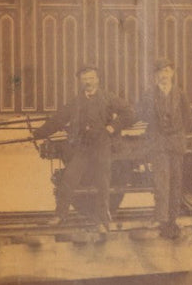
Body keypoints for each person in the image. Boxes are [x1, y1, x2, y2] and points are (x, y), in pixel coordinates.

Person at [34, 65, 135, 231]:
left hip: (102, 146)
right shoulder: (76, 102)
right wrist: (38, 133)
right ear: (81, 81)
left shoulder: (108, 98)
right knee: (69, 179)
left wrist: (112, 127)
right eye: (85, 79)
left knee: (103, 183)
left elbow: (129, 113)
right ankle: (60, 215)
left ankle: (102, 221)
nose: (88, 82)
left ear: (97, 79)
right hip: (83, 147)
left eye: (91, 78)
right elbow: (58, 119)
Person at [142, 58, 191, 239]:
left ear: (172, 74)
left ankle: (174, 218)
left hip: (176, 142)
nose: (163, 76)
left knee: (176, 181)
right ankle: (160, 217)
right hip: (159, 143)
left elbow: (188, 119)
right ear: (156, 76)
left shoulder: (181, 94)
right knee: (161, 182)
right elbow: (143, 114)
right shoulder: (149, 95)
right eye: (160, 72)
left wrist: (178, 133)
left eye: (167, 72)